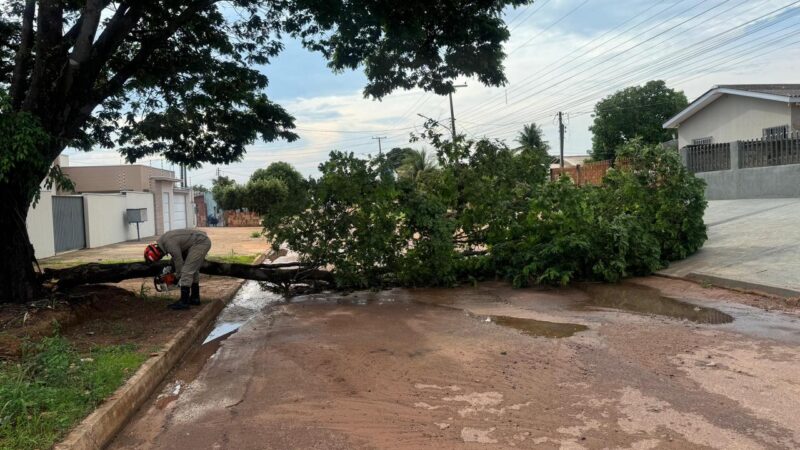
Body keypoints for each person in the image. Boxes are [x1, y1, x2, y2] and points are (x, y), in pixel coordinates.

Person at [144, 229, 212, 310]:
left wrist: (177, 278)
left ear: (157, 255)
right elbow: (175, 257)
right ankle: (195, 298)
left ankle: (184, 302)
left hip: (201, 242)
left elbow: (178, 261)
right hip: (195, 241)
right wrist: (171, 269)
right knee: (193, 269)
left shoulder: (169, 244)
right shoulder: (164, 241)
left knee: (187, 271)